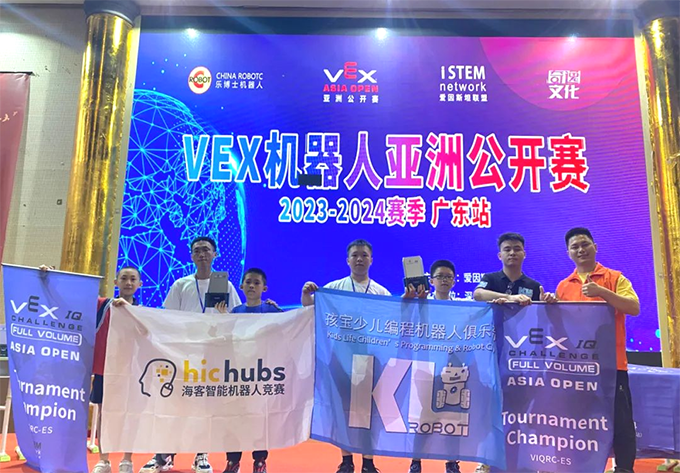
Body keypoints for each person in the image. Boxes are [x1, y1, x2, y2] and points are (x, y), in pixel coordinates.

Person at [139, 236, 241, 473]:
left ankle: (201, 454)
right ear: (191, 256)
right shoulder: (181, 284)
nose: (202, 254)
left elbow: (235, 319)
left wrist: (223, 317)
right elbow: (168, 318)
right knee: (174, 404)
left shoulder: (225, 285)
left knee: (206, 405)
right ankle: (164, 454)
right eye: (197, 251)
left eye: (206, 250)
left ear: (215, 254)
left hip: (212, 355)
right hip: (183, 354)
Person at [39, 265, 142, 473]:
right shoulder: (102, 305)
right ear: (116, 282)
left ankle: (127, 460)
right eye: (124, 278)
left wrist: (130, 312)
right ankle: (104, 460)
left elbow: (149, 336)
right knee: (105, 415)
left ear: (140, 284)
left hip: (131, 373)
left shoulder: (144, 313)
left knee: (130, 416)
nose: (128, 283)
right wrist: (52, 277)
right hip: (105, 371)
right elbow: (71, 300)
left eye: (133, 279)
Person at [555, 227, 639, 473]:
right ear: (568, 253)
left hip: (612, 366)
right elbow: (561, 327)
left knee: (621, 424)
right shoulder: (564, 286)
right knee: (581, 423)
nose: (581, 250)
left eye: (585, 244)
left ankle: (624, 469)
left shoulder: (615, 277)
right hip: (577, 368)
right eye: (575, 247)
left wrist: (602, 292)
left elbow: (633, 307)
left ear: (595, 247)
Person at [301, 239, 389, 473]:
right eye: (355, 255)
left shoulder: (381, 292)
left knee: (369, 413)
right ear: (347, 260)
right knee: (342, 410)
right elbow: (310, 307)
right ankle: (346, 460)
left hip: (370, 358)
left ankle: (368, 462)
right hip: (340, 358)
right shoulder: (334, 288)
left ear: (371, 260)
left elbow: (392, 321)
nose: (359, 259)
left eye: (364, 255)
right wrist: (306, 294)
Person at [472, 233, 555, 473]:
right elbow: (478, 294)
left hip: (523, 358)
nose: (512, 253)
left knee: (521, 410)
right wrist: (507, 298)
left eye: (517, 249)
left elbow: (543, 316)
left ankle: (523, 459)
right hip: (492, 354)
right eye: (507, 249)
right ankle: (486, 460)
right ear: (500, 255)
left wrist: (549, 301)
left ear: (524, 253)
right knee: (491, 410)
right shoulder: (491, 279)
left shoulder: (533, 286)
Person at [220, 268, 282, 473]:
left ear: (264, 288)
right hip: (237, 374)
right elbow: (226, 338)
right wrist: (223, 319)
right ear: (241, 286)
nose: (252, 286)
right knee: (234, 418)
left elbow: (290, 329)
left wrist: (279, 312)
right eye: (248, 282)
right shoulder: (235, 312)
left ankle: (260, 461)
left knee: (260, 419)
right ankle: (233, 461)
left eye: (256, 283)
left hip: (262, 375)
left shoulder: (271, 310)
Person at [406, 259, 463, 473]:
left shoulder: (463, 307)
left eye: (449, 277)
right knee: (425, 416)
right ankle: (416, 462)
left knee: (453, 418)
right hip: (426, 368)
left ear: (454, 281)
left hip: (453, 369)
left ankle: (451, 463)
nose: (444, 280)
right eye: (440, 276)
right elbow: (406, 322)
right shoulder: (421, 304)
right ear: (431, 281)